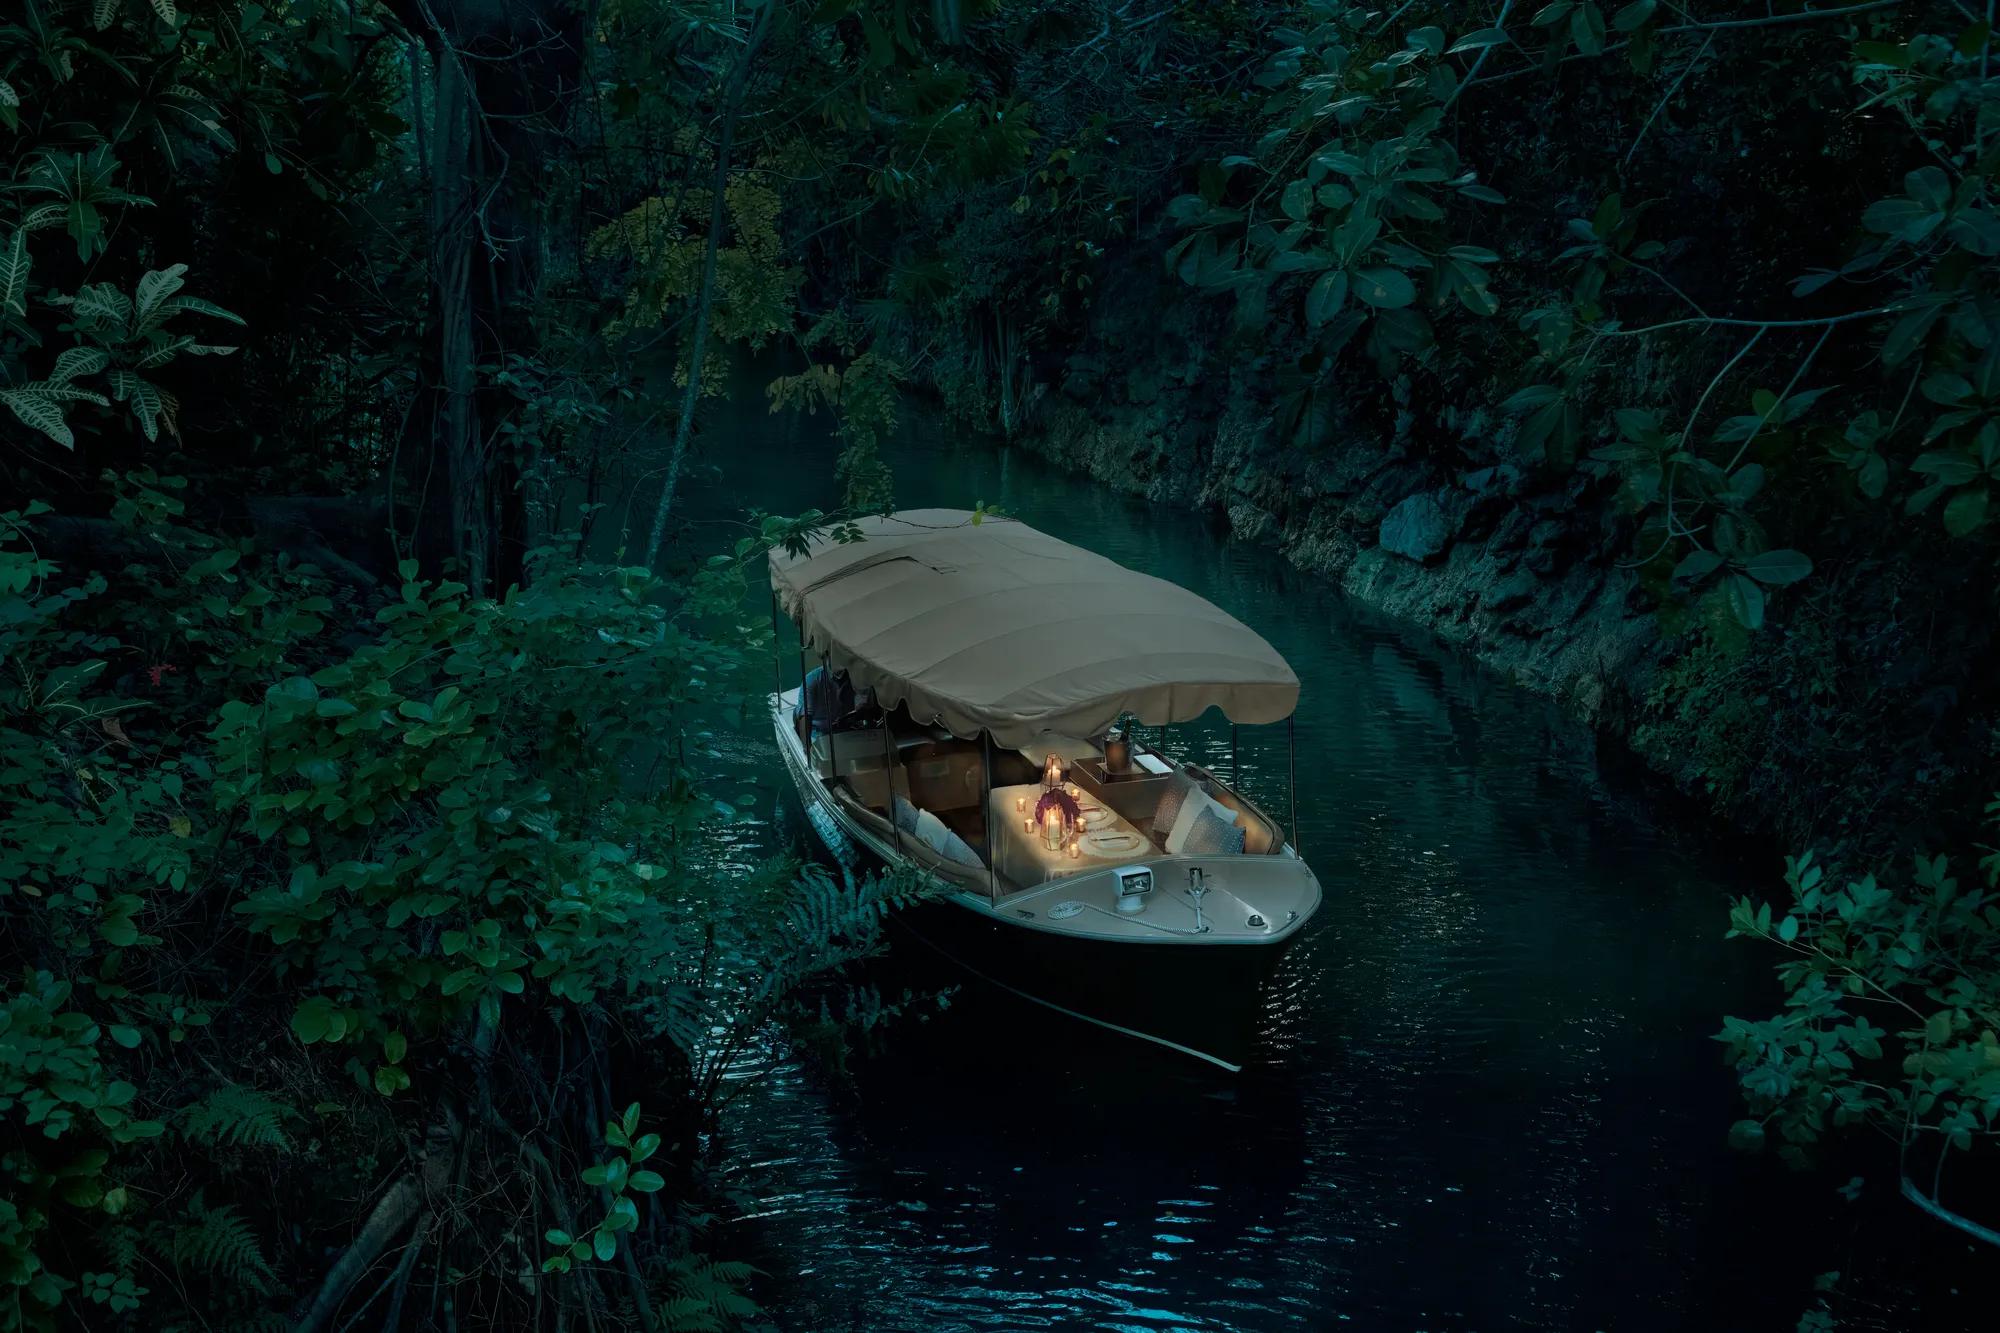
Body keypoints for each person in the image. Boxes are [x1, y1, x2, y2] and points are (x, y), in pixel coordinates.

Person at [799, 664, 855, 738]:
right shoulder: (812, 680)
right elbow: (805, 717)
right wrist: (807, 748)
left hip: (847, 727)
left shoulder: (854, 675)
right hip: (818, 731)